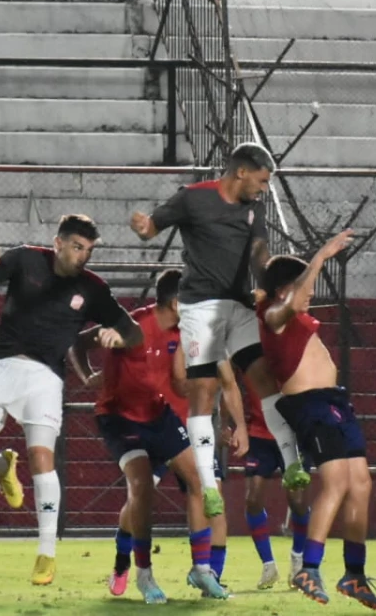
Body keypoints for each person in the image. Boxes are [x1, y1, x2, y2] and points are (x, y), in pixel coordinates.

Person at [0, 214, 144, 585]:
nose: (82, 256)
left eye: (88, 251)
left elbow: (134, 333)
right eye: (77, 247)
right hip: (0, 366)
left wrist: (117, 338)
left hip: (44, 377)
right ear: (58, 243)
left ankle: (46, 552)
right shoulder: (25, 258)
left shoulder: (92, 288)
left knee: (41, 457)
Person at [130, 143, 309, 523]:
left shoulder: (253, 210)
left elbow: (260, 253)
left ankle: (292, 462)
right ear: (241, 172)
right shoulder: (192, 199)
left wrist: (270, 282)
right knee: (204, 392)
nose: (264, 189)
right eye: (261, 181)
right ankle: (210, 485)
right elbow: (151, 228)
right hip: (200, 307)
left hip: (239, 304)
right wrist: (143, 226)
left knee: (264, 380)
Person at [73, 268, 229, 602]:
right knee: (142, 486)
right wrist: (87, 374)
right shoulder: (131, 325)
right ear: (176, 302)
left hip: (158, 414)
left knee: (201, 482)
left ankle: (201, 570)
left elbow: (176, 381)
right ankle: (141, 573)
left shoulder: (183, 331)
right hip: (119, 417)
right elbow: (78, 340)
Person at [257, 230, 376, 611]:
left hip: (334, 402)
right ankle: (308, 568)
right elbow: (289, 303)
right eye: (302, 286)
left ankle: (354, 574)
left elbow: (284, 287)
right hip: (309, 405)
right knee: (336, 482)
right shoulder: (274, 316)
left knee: (361, 483)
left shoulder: (295, 317)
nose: (311, 292)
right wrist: (321, 257)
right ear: (283, 290)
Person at [237, 369, 311, 589]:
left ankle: (298, 559)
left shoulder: (288, 353)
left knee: (297, 501)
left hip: (292, 434)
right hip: (260, 435)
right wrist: (231, 424)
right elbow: (228, 383)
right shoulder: (246, 352)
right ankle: (269, 565)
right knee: (252, 500)